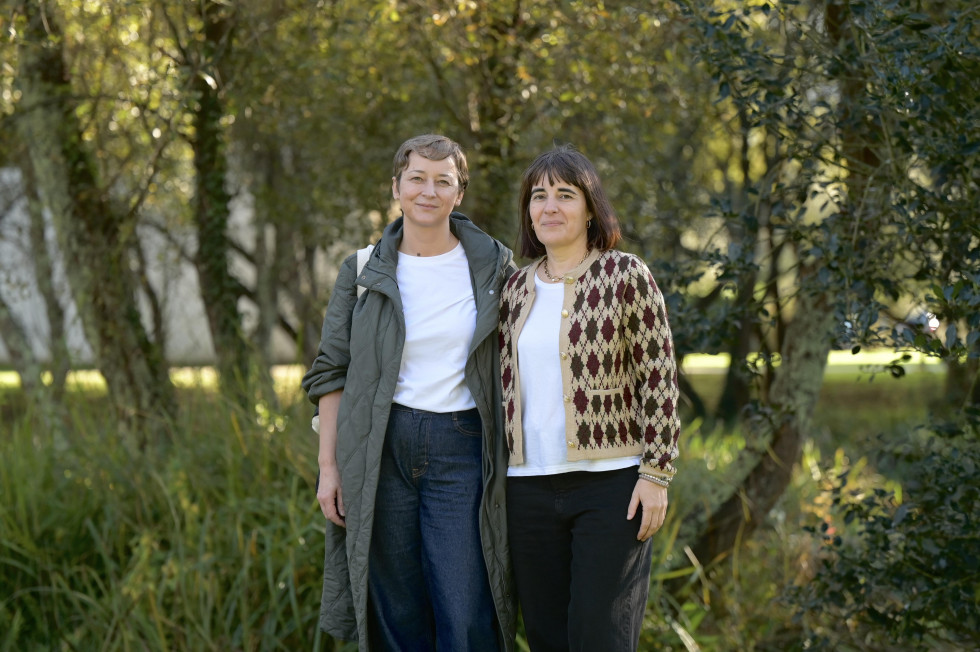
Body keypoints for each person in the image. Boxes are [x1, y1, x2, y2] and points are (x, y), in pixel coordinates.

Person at [301, 134, 517, 651]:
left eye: (443, 181)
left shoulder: (493, 267)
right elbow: (331, 372)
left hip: (461, 446)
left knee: (464, 609)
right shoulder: (360, 270)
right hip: (380, 446)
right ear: (396, 186)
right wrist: (329, 468)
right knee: (395, 610)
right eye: (417, 178)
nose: (428, 191)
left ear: (458, 193)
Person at [498, 145, 680, 651]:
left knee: (601, 637)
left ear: (590, 206)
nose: (549, 207)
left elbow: (659, 380)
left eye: (564, 194)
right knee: (546, 637)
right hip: (527, 489)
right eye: (538, 196)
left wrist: (656, 474)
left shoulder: (625, 276)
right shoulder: (514, 289)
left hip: (611, 491)